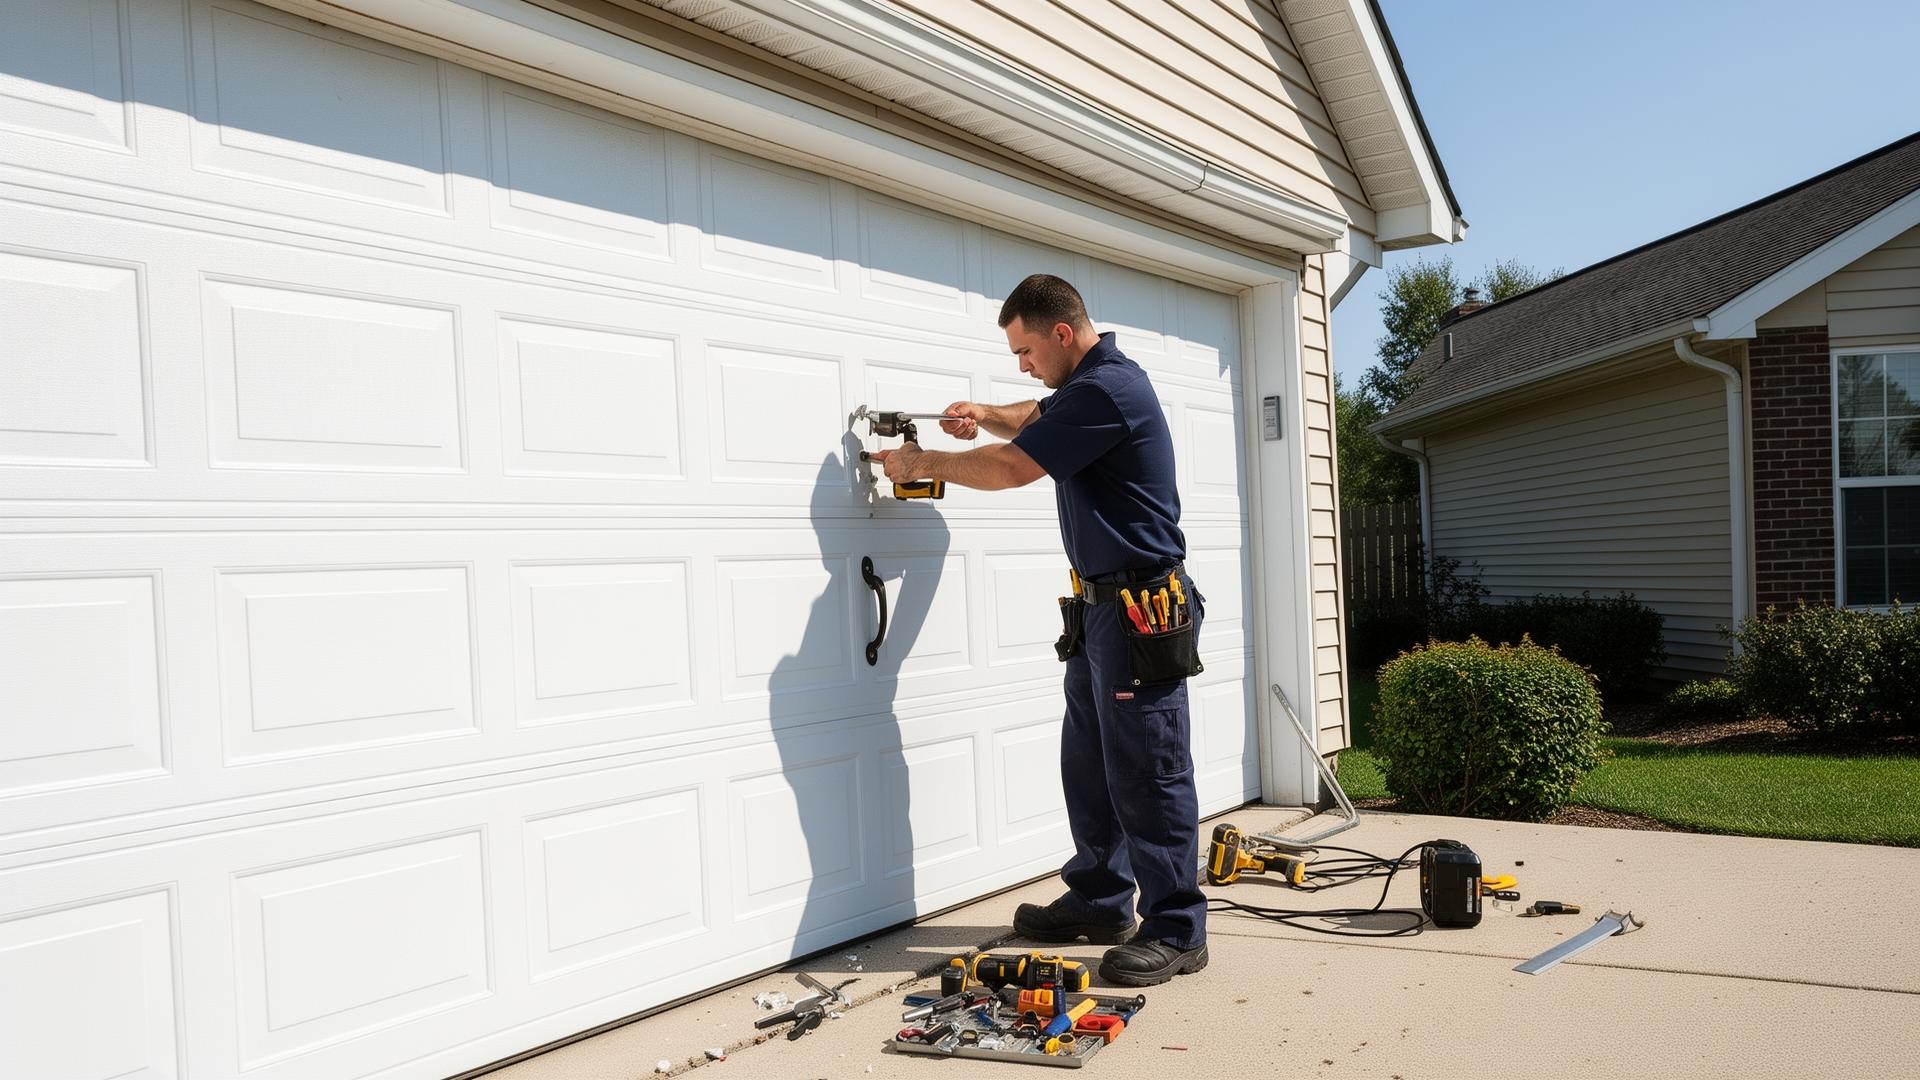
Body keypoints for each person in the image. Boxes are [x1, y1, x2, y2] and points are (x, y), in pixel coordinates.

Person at [870, 274, 1206, 986]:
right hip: (1096, 611)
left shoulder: (1111, 388)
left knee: (1149, 770)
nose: (1022, 364)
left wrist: (924, 462)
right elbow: (1034, 417)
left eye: (1025, 349)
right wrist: (983, 413)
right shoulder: (1086, 389)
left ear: (1062, 333)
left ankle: (1178, 928)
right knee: (1090, 765)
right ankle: (1101, 898)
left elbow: (1018, 466)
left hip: (1141, 608)